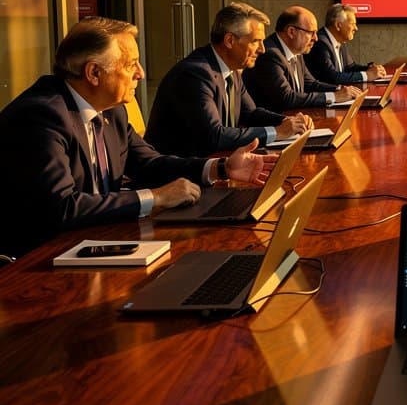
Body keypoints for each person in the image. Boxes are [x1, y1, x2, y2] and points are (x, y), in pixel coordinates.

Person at [0, 17, 275, 258]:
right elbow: (62, 207)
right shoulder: (41, 116)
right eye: (131, 64)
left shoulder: (113, 111)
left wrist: (221, 168)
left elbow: (149, 164)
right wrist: (155, 197)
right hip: (38, 261)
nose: (141, 73)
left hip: (100, 239)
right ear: (94, 73)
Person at [145, 2, 313, 157]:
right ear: (230, 40)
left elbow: (250, 113)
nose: (262, 49)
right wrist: (277, 132)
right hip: (181, 175)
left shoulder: (230, 69)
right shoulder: (195, 74)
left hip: (215, 162)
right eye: (256, 41)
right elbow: (214, 136)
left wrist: (288, 122)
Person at [244, 6, 361, 111]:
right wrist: (334, 97)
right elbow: (287, 98)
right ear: (291, 32)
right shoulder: (270, 54)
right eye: (311, 33)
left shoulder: (297, 51)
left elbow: (311, 84)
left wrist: (341, 89)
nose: (316, 38)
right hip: (278, 124)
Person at [305, 3, 386, 84]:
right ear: (338, 25)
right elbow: (333, 78)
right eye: (353, 24)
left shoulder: (339, 39)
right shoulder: (320, 43)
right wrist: (367, 75)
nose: (356, 28)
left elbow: (350, 68)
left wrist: (371, 69)